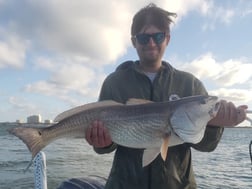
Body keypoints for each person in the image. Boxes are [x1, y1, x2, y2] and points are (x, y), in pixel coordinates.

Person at [85, 3, 248, 189]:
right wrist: (102, 143)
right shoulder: (115, 82)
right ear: (134, 41)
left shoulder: (190, 84)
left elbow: (206, 146)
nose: (151, 43)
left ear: (168, 39)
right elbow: (103, 146)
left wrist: (216, 124)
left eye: (158, 36)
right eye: (144, 38)